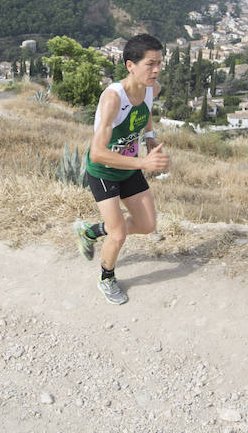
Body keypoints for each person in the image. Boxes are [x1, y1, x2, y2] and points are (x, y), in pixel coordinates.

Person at [74, 34, 169, 305]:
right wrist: (143, 163)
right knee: (119, 234)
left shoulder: (153, 89)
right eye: (150, 64)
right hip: (104, 171)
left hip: (129, 167)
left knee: (148, 224)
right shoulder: (113, 98)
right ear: (130, 65)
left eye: (159, 63)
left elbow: (147, 112)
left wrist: (150, 138)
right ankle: (106, 278)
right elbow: (97, 151)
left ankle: (90, 231)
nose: (157, 69)